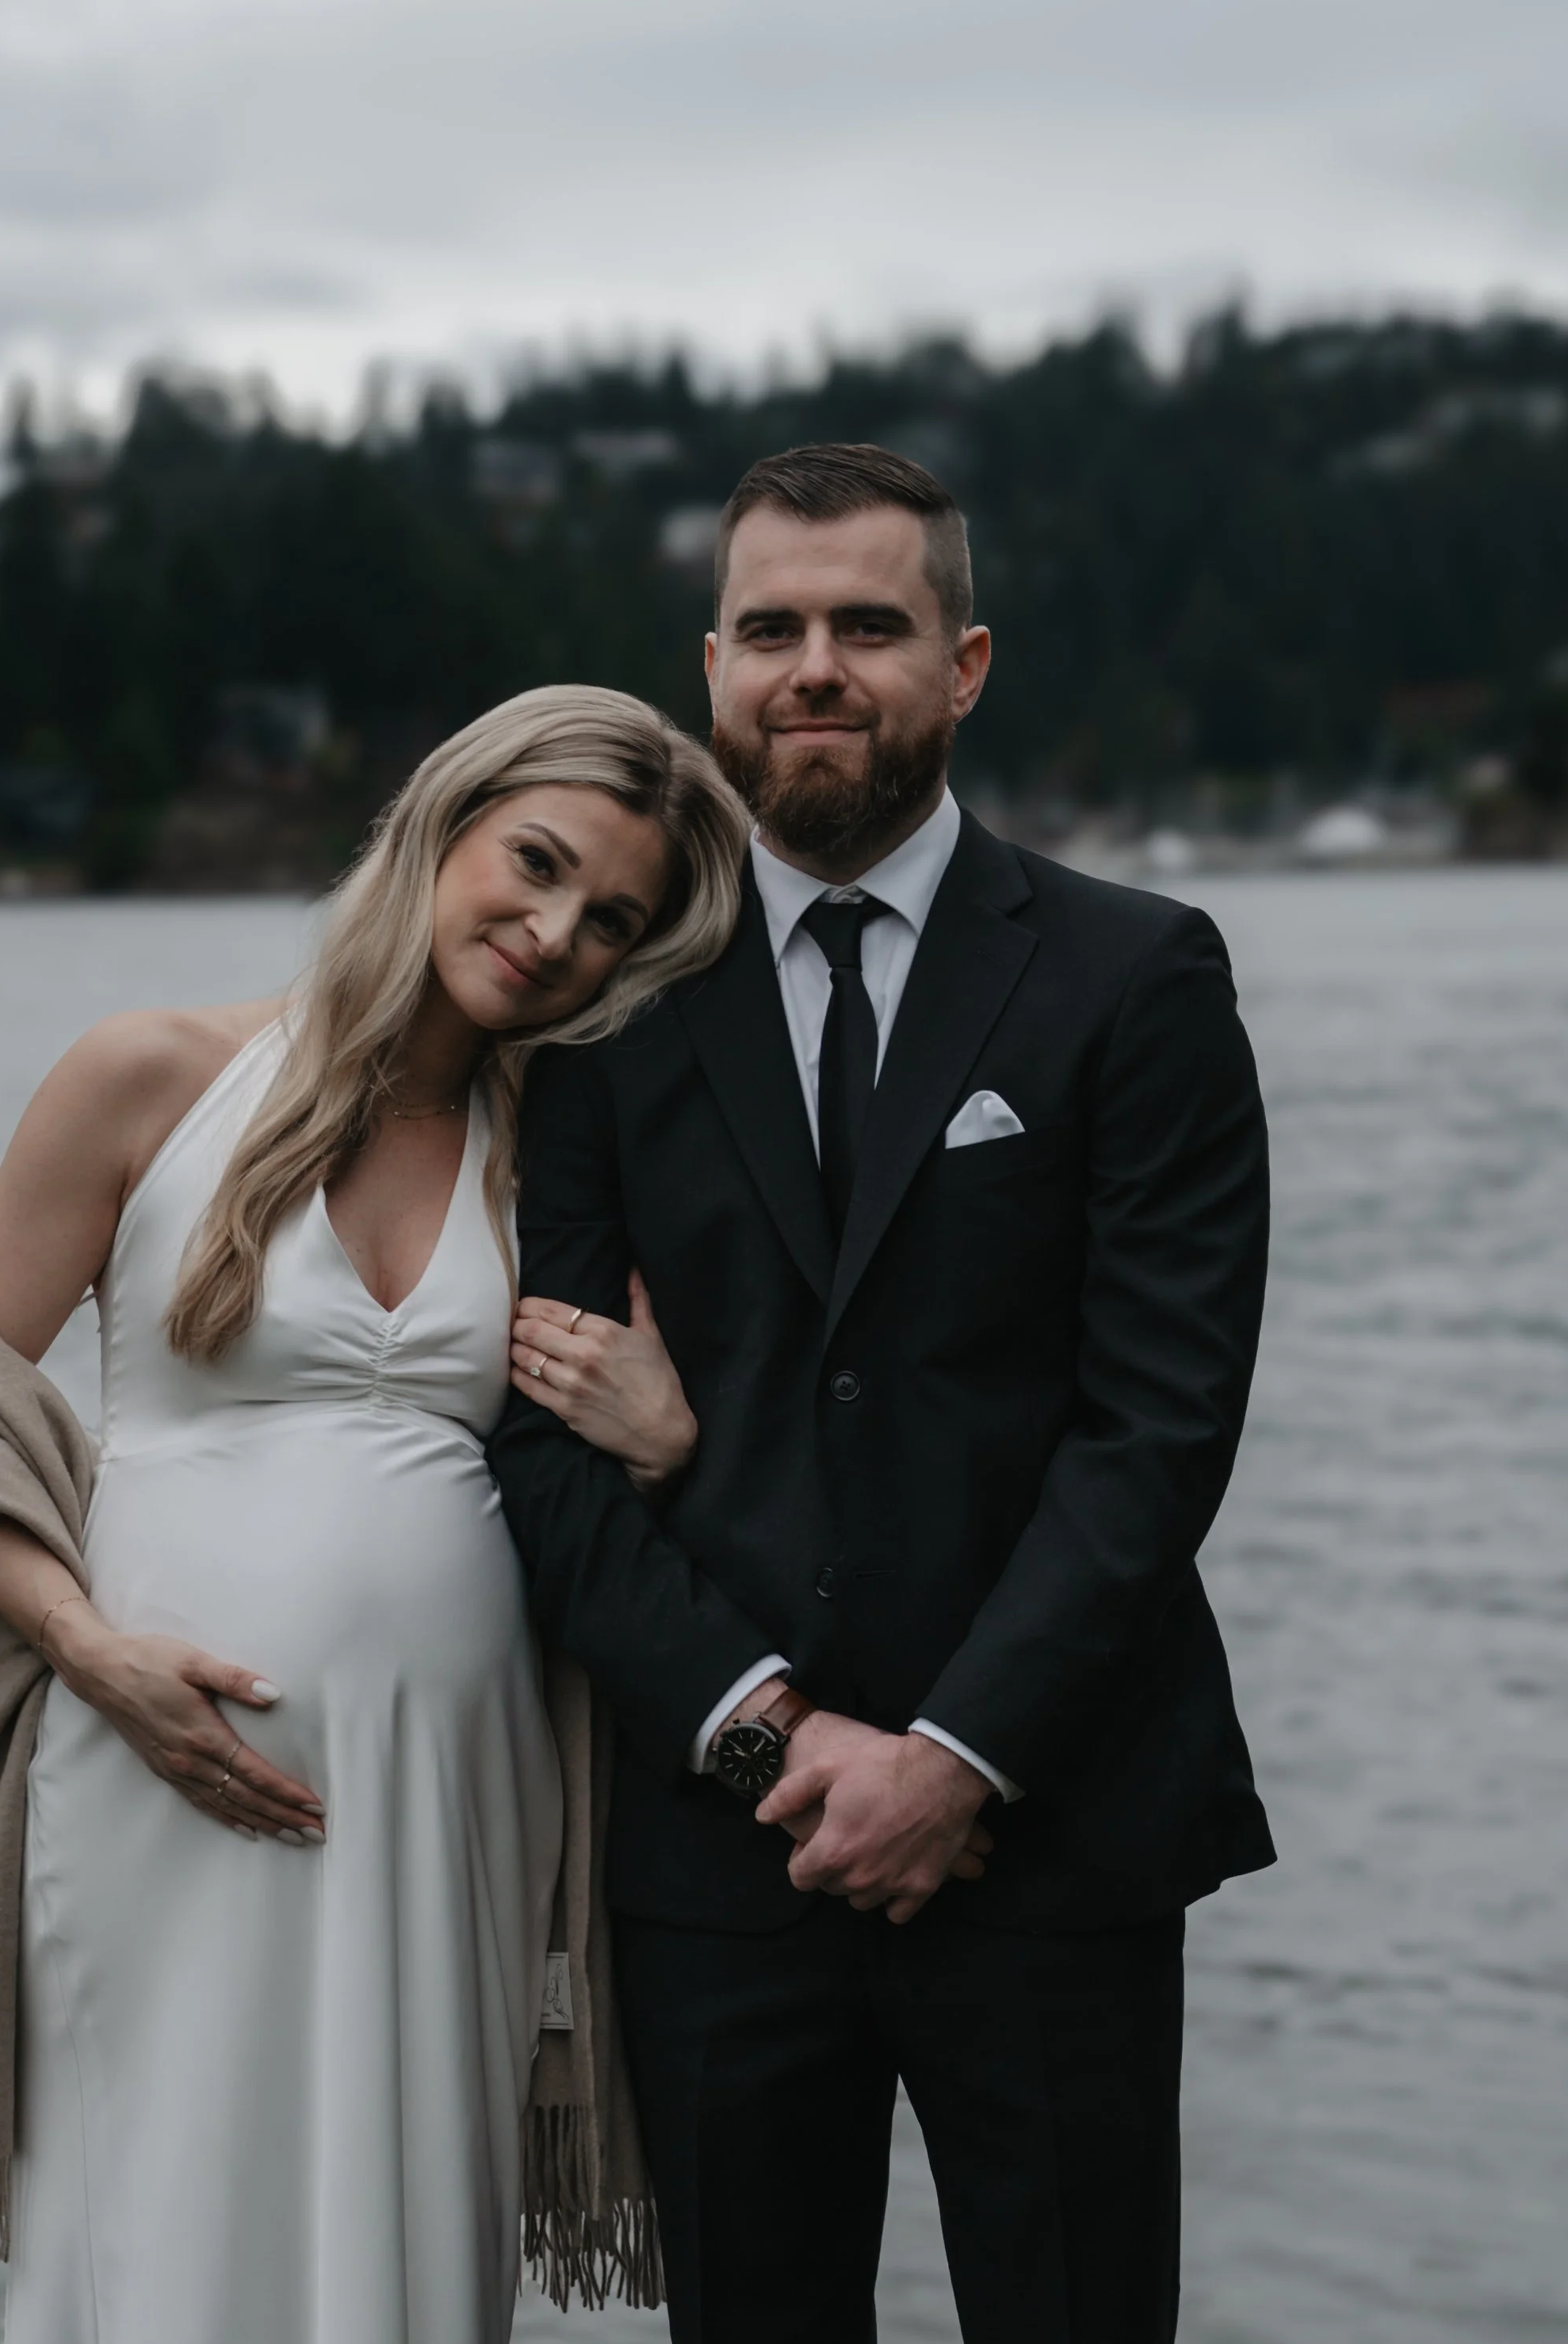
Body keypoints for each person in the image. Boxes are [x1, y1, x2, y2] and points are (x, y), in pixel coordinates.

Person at [488, 445, 1275, 2344]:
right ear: (710, 669)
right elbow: (537, 1430)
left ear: (967, 660)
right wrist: (773, 1736)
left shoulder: (1131, 975)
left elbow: (1155, 1427)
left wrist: (949, 1754)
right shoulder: (606, 1015)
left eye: (867, 623)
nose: (813, 667)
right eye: (770, 628)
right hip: (722, 1851)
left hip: (1056, 1828)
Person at [0, 686, 748, 2344]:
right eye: (537, 863)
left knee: (410, 2229)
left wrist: (660, 1442)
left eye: (610, 920)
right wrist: (85, 1652)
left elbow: (604, 1467)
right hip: (158, 1756)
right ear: (443, 820)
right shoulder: (148, 1073)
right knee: (165, 2215)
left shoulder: (558, 1155)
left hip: (458, 1787)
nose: (555, 931)